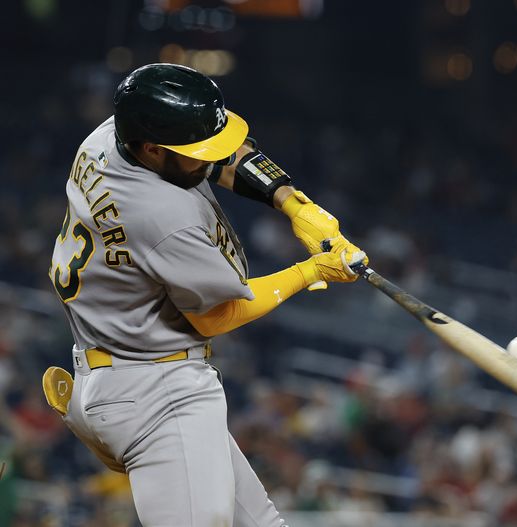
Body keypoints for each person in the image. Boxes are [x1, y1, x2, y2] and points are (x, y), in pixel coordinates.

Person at [42, 63, 367, 526]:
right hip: (157, 392)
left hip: (115, 375)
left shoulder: (108, 137)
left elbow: (222, 157)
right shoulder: (161, 216)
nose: (207, 158)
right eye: (193, 151)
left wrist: (293, 203)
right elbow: (218, 315)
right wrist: (310, 270)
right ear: (153, 149)